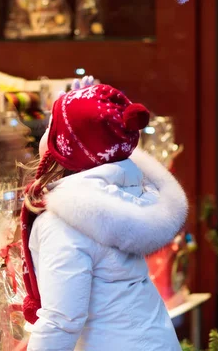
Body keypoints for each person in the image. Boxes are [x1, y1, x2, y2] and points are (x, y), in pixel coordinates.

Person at [19, 81, 188, 351]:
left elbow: (61, 321)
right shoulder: (127, 195)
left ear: (66, 149)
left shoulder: (65, 222)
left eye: (53, 128)